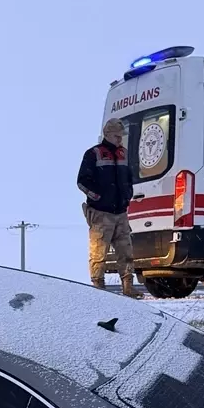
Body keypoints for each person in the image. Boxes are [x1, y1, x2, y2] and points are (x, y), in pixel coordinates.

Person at [77, 118, 138, 297]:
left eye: (121, 136)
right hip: (100, 213)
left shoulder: (124, 154)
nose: (120, 139)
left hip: (120, 212)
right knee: (98, 252)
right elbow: (82, 181)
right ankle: (98, 287)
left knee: (126, 250)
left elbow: (129, 178)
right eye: (117, 136)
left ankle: (128, 286)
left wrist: (127, 196)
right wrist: (98, 197)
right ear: (108, 134)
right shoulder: (93, 154)